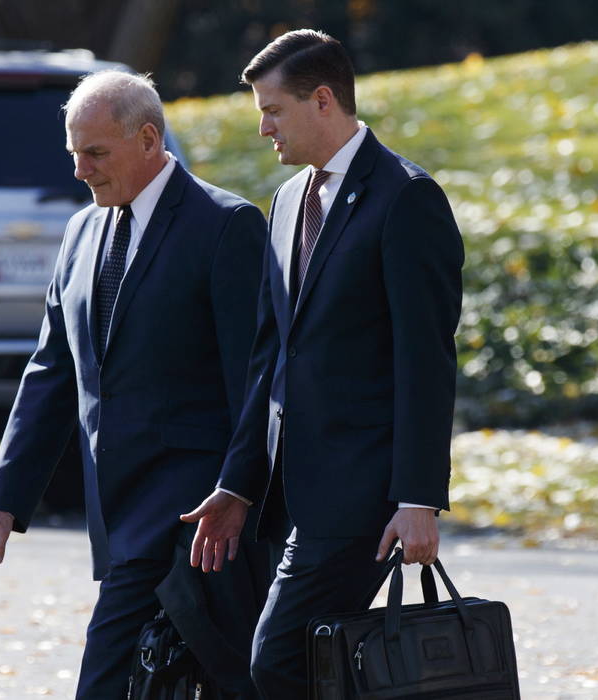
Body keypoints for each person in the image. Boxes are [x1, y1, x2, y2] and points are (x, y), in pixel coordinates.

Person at [179, 29, 464, 697]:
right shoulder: (283, 206)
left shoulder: (406, 198)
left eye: (272, 109)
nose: (262, 128)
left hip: (363, 494)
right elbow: (268, 361)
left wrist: (419, 498)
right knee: (316, 666)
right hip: (287, 495)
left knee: (278, 663)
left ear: (324, 101)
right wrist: (238, 484)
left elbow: (427, 361)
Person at [0, 71, 269, 698]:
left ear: (150, 138)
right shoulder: (81, 232)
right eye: (74, 153)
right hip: (119, 516)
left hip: (199, 521)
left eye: (96, 153)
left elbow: (257, 378)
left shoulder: (225, 224)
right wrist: (5, 497)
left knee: (112, 681)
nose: (81, 170)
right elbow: (53, 371)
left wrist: (239, 490)